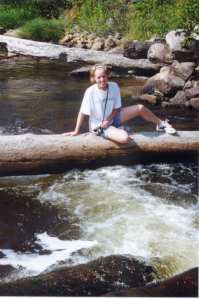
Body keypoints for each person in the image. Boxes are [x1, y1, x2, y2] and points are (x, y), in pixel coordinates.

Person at [64, 64, 176, 143]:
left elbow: (117, 108)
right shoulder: (90, 92)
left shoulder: (114, 86)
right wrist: (76, 131)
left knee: (140, 107)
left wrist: (109, 119)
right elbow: (82, 112)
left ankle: (161, 124)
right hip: (100, 126)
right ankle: (119, 130)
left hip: (113, 118)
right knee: (125, 138)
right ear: (93, 78)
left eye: (104, 76)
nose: (102, 79)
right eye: (99, 77)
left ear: (107, 76)